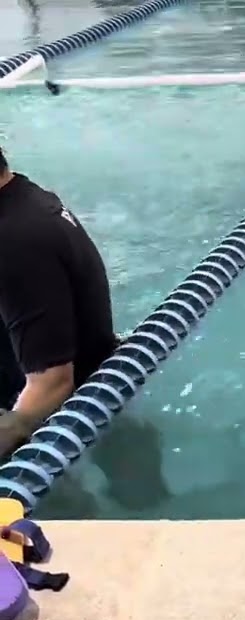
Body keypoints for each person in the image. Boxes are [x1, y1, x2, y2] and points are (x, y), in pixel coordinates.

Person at [0, 148, 168, 515]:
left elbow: (53, 384)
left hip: (62, 418)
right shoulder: (23, 199)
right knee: (139, 497)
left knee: (58, 524)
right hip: (96, 395)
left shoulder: (14, 240)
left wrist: (10, 433)